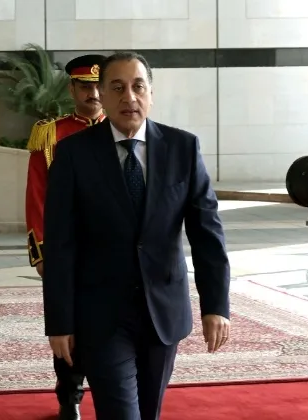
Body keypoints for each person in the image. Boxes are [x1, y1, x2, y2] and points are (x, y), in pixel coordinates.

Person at [42, 51, 231, 419]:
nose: (129, 97)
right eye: (117, 88)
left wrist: (215, 306)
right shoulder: (73, 154)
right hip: (101, 317)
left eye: (138, 86)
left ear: (151, 94)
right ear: (102, 94)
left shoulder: (183, 148)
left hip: (163, 312)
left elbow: (207, 233)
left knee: (149, 412)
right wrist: (60, 322)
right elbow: (61, 244)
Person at [25, 54, 106, 420]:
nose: (93, 94)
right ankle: (69, 397)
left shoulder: (125, 130)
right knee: (67, 326)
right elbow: (36, 195)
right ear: (72, 89)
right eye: (85, 86)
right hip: (67, 251)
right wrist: (42, 253)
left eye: (99, 86)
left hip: (112, 251)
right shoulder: (50, 135)